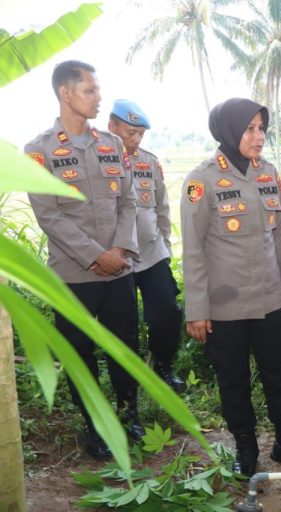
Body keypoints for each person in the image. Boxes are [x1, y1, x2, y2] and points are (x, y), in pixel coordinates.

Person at [180, 98, 281, 475]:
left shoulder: (268, 173)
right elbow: (192, 249)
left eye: (261, 128)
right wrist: (198, 310)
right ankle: (246, 449)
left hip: (271, 299)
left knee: (280, 375)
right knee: (234, 382)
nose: (259, 136)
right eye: (250, 128)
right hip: (226, 307)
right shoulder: (199, 180)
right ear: (228, 130)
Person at [26, 60, 143, 459]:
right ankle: (95, 425)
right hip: (73, 275)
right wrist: (96, 256)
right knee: (79, 354)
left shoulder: (111, 145)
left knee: (125, 346)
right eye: (90, 90)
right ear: (66, 93)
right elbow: (49, 216)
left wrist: (121, 250)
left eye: (97, 89)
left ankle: (129, 416)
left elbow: (129, 200)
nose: (98, 97)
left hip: (119, 271)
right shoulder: (38, 151)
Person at [108, 100, 184, 392]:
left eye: (140, 133)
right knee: (124, 324)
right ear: (112, 126)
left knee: (167, 311)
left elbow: (162, 208)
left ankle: (162, 366)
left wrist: (165, 244)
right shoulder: (99, 159)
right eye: (130, 132)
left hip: (152, 254)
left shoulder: (149, 163)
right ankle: (129, 378)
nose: (136, 139)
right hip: (118, 259)